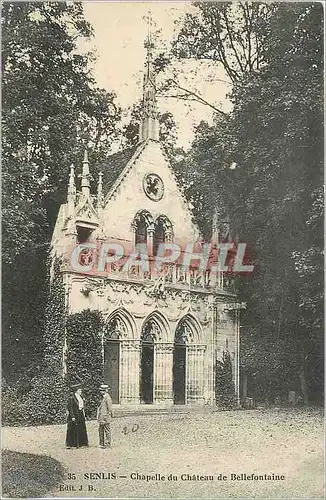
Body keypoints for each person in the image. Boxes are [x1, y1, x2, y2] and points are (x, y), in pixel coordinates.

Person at [66, 383, 89, 448]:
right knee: (73, 429)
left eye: (80, 390)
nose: (81, 391)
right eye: (79, 390)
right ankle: (72, 444)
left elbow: (83, 405)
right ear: (76, 391)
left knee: (81, 428)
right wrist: (72, 416)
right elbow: (70, 408)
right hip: (74, 415)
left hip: (80, 414)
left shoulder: (81, 397)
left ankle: (82, 443)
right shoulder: (72, 398)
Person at [97, 384, 113, 449]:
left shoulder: (108, 398)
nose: (101, 392)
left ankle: (108, 444)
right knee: (100, 430)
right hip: (101, 417)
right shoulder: (103, 398)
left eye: (102, 390)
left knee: (107, 431)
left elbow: (109, 409)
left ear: (105, 391)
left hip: (105, 417)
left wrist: (108, 416)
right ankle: (101, 443)